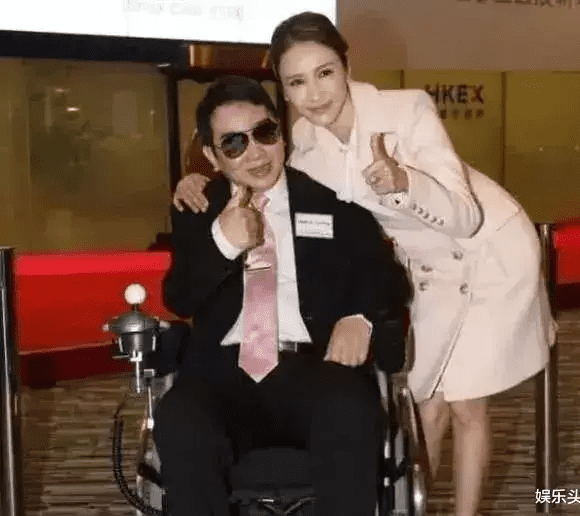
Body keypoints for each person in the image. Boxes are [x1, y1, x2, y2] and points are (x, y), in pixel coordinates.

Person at [172, 12, 556, 516]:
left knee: (464, 402)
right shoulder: (298, 151)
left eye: (325, 73)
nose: (314, 94)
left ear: (346, 66)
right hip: (421, 266)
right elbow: (185, 284)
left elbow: (458, 218)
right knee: (426, 405)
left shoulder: (407, 111)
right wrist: (206, 195)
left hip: (484, 247)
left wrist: (404, 186)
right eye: (297, 82)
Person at [155, 75, 410, 516]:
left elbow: (385, 275)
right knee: (181, 418)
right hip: (222, 375)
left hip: (314, 368)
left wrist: (361, 317)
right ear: (212, 156)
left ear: (281, 132)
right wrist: (223, 244)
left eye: (264, 133)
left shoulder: (332, 202)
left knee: (352, 408)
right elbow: (179, 298)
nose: (255, 152)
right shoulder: (198, 208)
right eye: (234, 143)